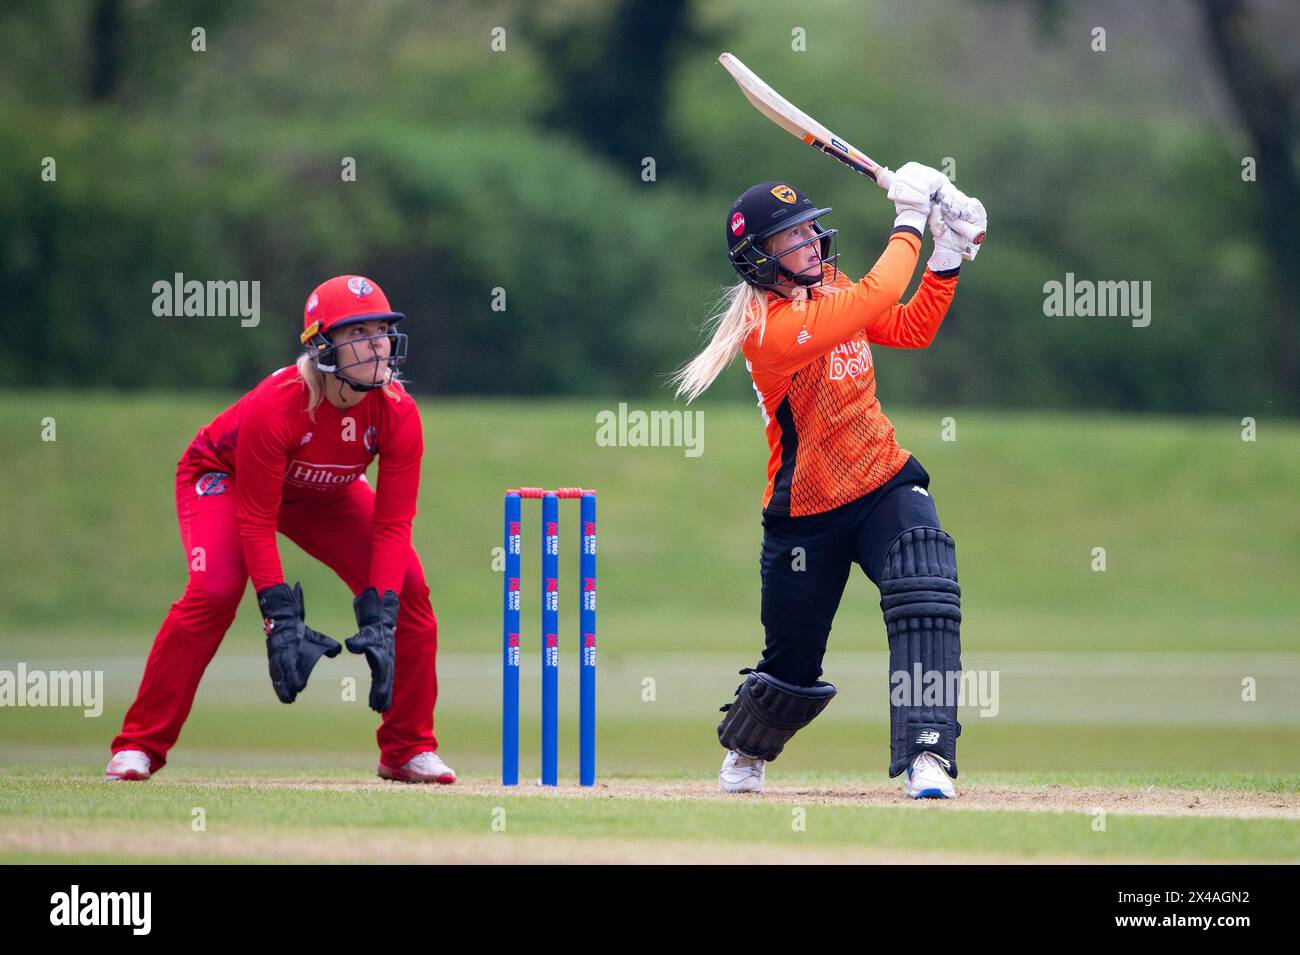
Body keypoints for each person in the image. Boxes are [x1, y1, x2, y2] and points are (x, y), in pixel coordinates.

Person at [672, 166, 987, 798]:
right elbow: (876, 297)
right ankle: (748, 749)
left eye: (810, 229)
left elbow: (907, 326)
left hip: (882, 479)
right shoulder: (770, 330)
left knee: (927, 582)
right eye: (792, 238)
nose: (812, 242)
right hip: (806, 512)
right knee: (793, 661)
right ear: (760, 260)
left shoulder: (830, 289)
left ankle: (929, 755)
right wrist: (909, 220)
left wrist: (948, 253)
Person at [105, 275, 455, 784]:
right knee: (216, 590)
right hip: (225, 478)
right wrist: (278, 617)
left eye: (382, 330)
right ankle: (138, 745)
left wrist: (381, 613)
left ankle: (406, 748)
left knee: (409, 592)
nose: (378, 344)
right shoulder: (280, 402)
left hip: (325, 491)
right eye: (358, 332)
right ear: (322, 347)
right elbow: (256, 519)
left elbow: (394, 523)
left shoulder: (399, 411)